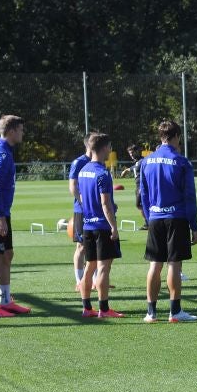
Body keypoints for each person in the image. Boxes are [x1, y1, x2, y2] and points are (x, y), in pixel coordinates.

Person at [139, 120, 197, 323]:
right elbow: (189, 196)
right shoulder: (182, 162)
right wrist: (194, 226)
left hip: (155, 218)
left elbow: (144, 195)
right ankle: (175, 311)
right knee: (174, 265)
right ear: (177, 137)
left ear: (160, 137)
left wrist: (150, 218)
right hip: (177, 217)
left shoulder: (147, 161)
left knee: (155, 265)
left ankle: (151, 313)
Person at [0, 115, 31, 317]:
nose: (22, 133)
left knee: (6, 254)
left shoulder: (0, 149)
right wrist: (1, 217)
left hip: (2, 210)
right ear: (12, 131)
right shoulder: (2, 154)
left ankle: (5, 300)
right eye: (21, 129)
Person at [77, 133, 123, 318]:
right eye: (110, 147)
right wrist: (113, 226)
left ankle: (87, 308)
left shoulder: (83, 170)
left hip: (87, 225)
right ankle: (104, 309)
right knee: (103, 268)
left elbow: (83, 198)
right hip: (102, 226)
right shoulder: (102, 173)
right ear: (105, 148)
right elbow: (105, 203)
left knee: (90, 267)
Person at [69, 135, 92, 289]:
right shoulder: (79, 162)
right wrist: (85, 203)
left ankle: (94, 280)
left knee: (94, 245)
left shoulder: (98, 162)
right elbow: (73, 187)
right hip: (82, 210)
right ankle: (79, 281)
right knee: (82, 246)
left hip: (96, 210)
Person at [120, 144, 148, 230]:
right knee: (140, 205)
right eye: (130, 154)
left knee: (140, 205)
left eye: (132, 153)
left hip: (141, 186)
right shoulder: (137, 162)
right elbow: (134, 167)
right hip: (137, 186)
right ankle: (148, 222)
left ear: (137, 152)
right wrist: (126, 170)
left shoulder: (143, 161)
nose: (131, 155)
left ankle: (149, 222)